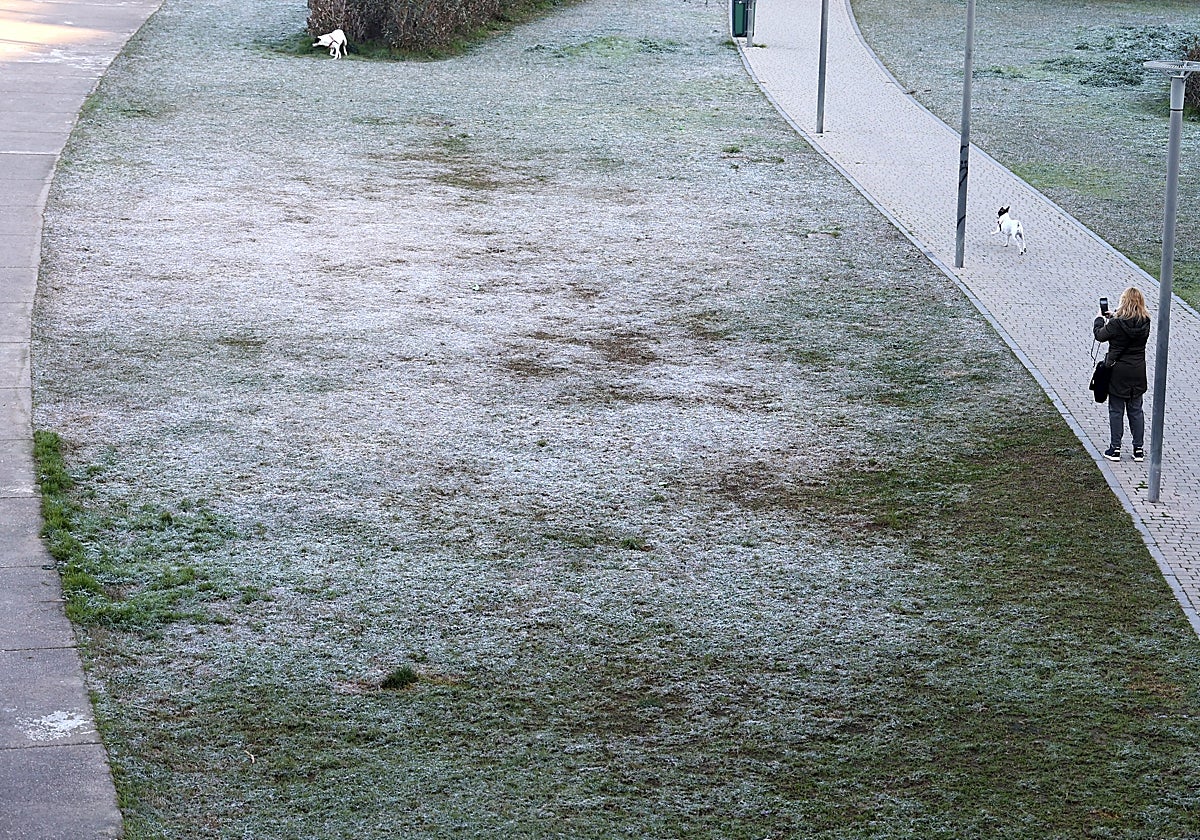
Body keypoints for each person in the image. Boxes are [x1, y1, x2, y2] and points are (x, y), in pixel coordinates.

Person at [1093, 286, 1151, 462]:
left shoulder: (1116, 324)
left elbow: (1100, 335)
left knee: (1116, 410)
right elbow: (1129, 326)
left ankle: (1115, 448)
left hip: (1118, 372)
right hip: (1138, 371)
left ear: (1123, 301)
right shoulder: (1145, 321)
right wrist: (1114, 317)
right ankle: (1138, 449)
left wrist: (1099, 318)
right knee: (1136, 410)